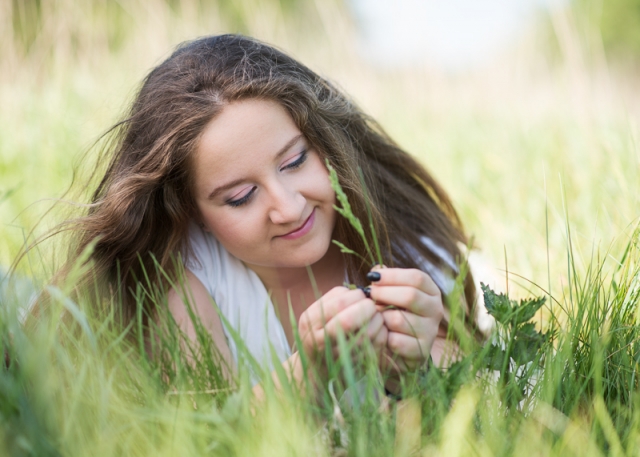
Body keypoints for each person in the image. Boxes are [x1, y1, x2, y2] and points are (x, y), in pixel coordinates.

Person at [54, 34, 483, 397]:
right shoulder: (183, 279)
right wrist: (307, 375)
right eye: (241, 197)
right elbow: (213, 432)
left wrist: (412, 365)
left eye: (295, 161)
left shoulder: (400, 239)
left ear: (325, 142)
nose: (290, 208)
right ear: (192, 212)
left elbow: (467, 372)